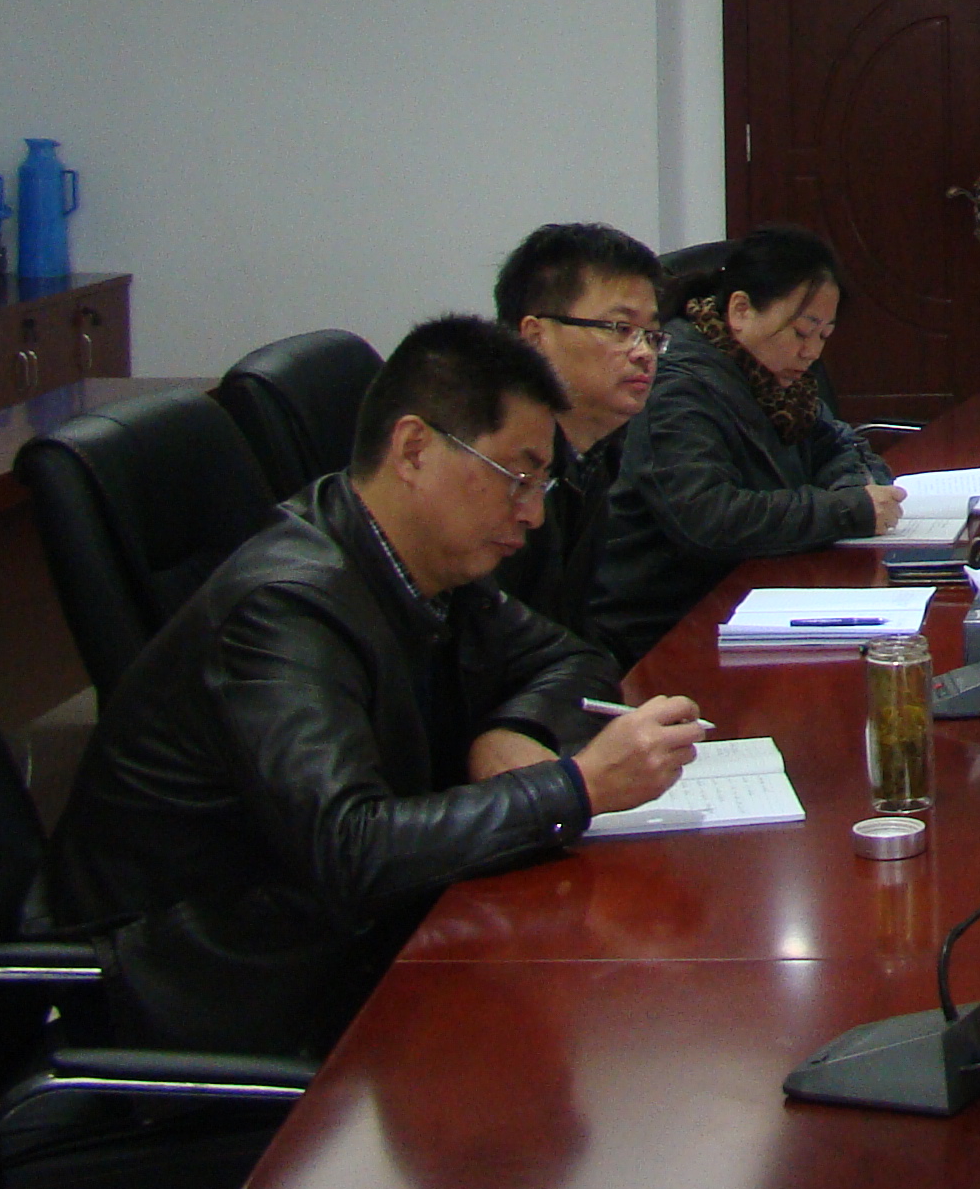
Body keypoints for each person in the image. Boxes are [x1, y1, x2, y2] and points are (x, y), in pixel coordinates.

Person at [41, 316, 707, 1056]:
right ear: (414, 450)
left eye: (541, 483)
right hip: (207, 983)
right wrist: (576, 787)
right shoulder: (284, 610)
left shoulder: (425, 562)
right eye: (516, 477)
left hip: (337, 938)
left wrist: (515, 730)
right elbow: (351, 849)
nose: (533, 511)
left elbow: (572, 660)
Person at [589, 223, 903, 663]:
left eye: (824, 336)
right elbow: (709, 517)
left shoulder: (780, 378)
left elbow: (836, 443)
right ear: (740, 310)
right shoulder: (678, 386)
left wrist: (855, 490)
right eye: (801, 331)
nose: (812, 352)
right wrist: (847, 510)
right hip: (670, 629)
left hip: (755, 595)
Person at [487, 221, 665, 643]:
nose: (644, 353)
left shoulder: (599, 451)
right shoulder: (492, 468)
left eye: (652, 335)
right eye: (620, 329)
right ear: (535, 337)